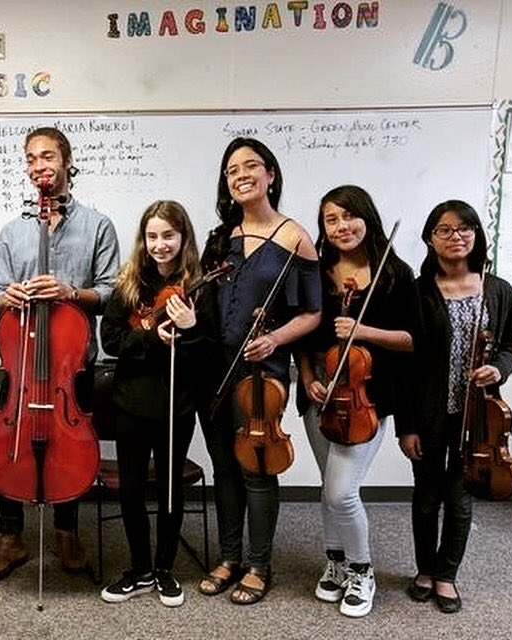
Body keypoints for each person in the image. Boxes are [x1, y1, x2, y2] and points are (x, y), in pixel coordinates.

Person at [0, 126, 120, 583]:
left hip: (70, 363)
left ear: (66, 161)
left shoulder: (97, 225)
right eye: (31, 159)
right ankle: (11, 540)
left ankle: (65, 534)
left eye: (47, 157)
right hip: (21, 362)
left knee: (69, 444)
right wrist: (10, 296)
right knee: (6, 440)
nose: (39, 166)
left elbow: (111, 293)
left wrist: (68, 292)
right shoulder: (12, 230)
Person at [197, 137, 321, 604]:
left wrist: (274, 339)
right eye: (232, 170)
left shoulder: (295, 238)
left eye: (251, 166)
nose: (241, 175)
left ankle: (260, 564)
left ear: (270, 174)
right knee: (225, 466)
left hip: (260, 371)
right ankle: (230, 557)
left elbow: (312, 313)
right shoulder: (220, 238)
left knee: (257, 468)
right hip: (215, 369)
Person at [296, 185, 420, 617]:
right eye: (331, 219)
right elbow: (305, 338)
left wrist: (363, 332)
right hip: (320, 398)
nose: (341, 226)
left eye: (348, 216)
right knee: (328, 490)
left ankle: (361, 570)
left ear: (366, 217)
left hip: (366, 397)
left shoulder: (395, 273)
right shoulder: (315, 271)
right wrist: (309, 378)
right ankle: (334, 565)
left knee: (342, 492)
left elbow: (410, 340)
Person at [400, 200, 512, 614]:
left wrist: (498, 370)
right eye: (446, 230)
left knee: (459, 497)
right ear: (431, 239)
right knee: (426, 496)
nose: (457, 236)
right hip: (430, 412)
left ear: (477, 235)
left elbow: (510, 346)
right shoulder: (418, 291)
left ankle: (447, 574)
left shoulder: (498, 289)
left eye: (465, 228)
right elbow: (407, 363)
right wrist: (407, 425)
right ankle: (425, 570)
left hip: (477, 417)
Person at [99, 200, 213, 608]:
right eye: (152, 236)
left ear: (183, 239)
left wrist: (191, 329)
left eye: (168, 235)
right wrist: (150, 338)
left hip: (176, 406)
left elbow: (209, 355)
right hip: (131, 403)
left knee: (168, 489)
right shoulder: (128, 283)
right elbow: (110, 341)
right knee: (131, 489)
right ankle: (139, 568)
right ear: (142, 240)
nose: (160, 244)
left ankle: (165, 569)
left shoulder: (202, 286)